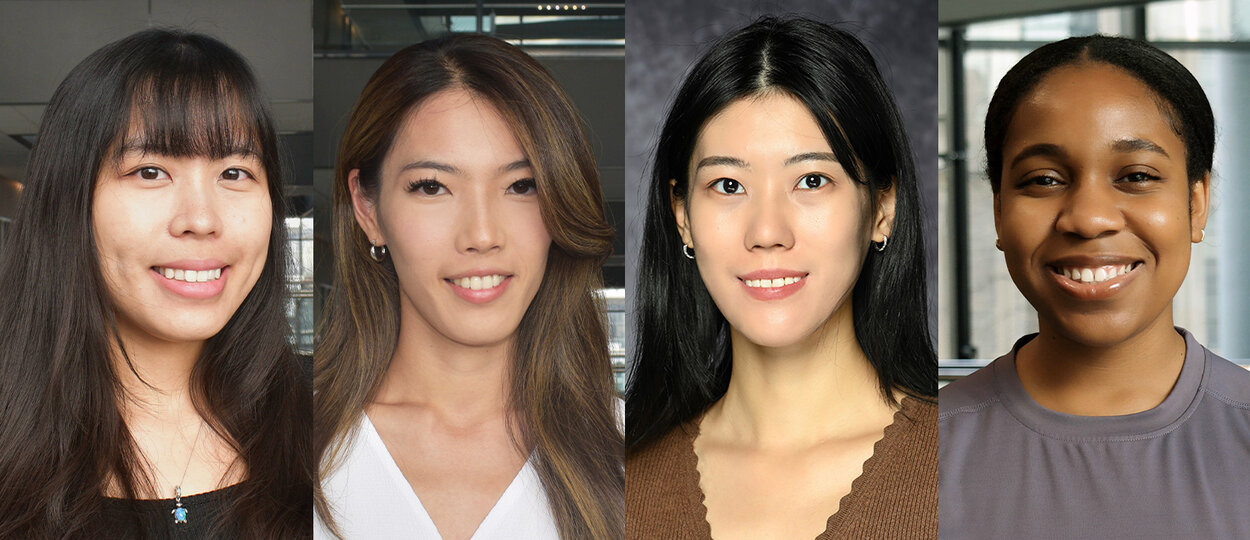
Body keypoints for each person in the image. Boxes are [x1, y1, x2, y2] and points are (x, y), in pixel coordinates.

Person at [625, 17, 937, 539]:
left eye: (811, 180)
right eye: (728, 185)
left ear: (883, 205)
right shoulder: (622, 478)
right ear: (682, 216)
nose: (767, 232)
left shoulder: (962, 466)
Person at [0, 29, 312, 537]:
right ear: (69, 202)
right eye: (150, 171)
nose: (202, 218)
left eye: (234, 173)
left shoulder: (333, 431)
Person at [939, 35, 1250, 538]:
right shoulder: (908, 457)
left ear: (1197, 204)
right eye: (1043, 180)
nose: (1088, 218)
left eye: (1136, 175)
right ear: (999, 211)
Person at [314, 34, 622, 539]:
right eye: (433, 186)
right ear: (368, 210)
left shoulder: (628, 448)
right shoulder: (297, 447)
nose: (482, 235)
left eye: (521, 186)